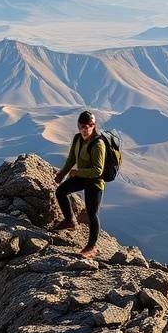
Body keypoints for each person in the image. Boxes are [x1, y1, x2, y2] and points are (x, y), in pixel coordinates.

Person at [53, 110, 105, 258]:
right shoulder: (77, 139)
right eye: (81, 126)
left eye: (87, 126)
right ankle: (70, 220)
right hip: (82, 177)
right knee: (61, 191)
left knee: (91, 213)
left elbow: (98, 170)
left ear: (93, 126)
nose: (84, 129)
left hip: (95, 182)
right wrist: (62, 174)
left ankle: (91, 247)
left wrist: (77, 173)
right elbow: (71, 159)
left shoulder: (98, 144)